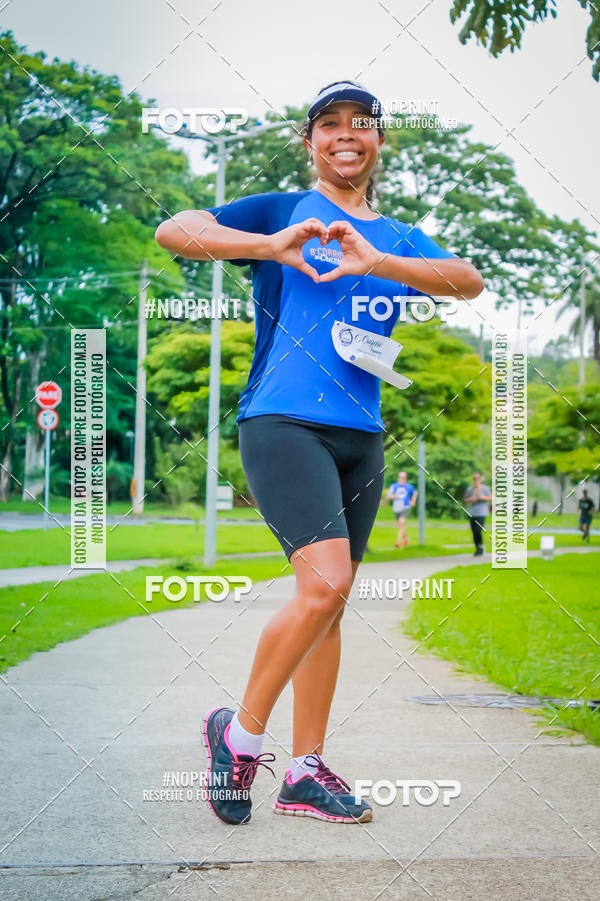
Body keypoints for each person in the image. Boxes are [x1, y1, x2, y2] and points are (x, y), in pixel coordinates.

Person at [155, 79, 484, 827]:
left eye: (360, 124)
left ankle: (304, 771)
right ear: (310, 143)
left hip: (361, 437)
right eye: (329, 124)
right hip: (281, 420)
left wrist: (379, 263)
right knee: (326, 582)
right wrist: (268, 247)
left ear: (377, 142)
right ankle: (236, 733)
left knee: (328, 607)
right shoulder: (281, 209)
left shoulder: (396, 235)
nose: (345, 134)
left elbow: (468, 280)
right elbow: (175, 229)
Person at [385, 471, 417, 548]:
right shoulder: (394, 486)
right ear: (398, 478)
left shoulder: (409, 486)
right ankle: (406, 538)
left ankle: (398, 543)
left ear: (406, 478)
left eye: (403, 477)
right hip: (396, 508)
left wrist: (413, 501)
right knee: (400, 526)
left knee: (402, 523)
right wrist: (394, 496)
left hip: (405, 507)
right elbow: (388, 496)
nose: (402, 479)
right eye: (400, 477)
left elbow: (415, 494)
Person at [464, 472, 491, 556]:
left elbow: (491, 497)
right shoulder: (470, 489)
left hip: (482, 513)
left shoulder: (485, 488)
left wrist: (483, 498)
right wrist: (470, 499)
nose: (476, 480)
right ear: (473, 479)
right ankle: (478, 548)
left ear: (480, 479)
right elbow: (465, 500)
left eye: (478, 478)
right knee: (474, 532)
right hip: (472, 512)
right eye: (474, 478)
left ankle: (481, 547)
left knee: (478, 530)